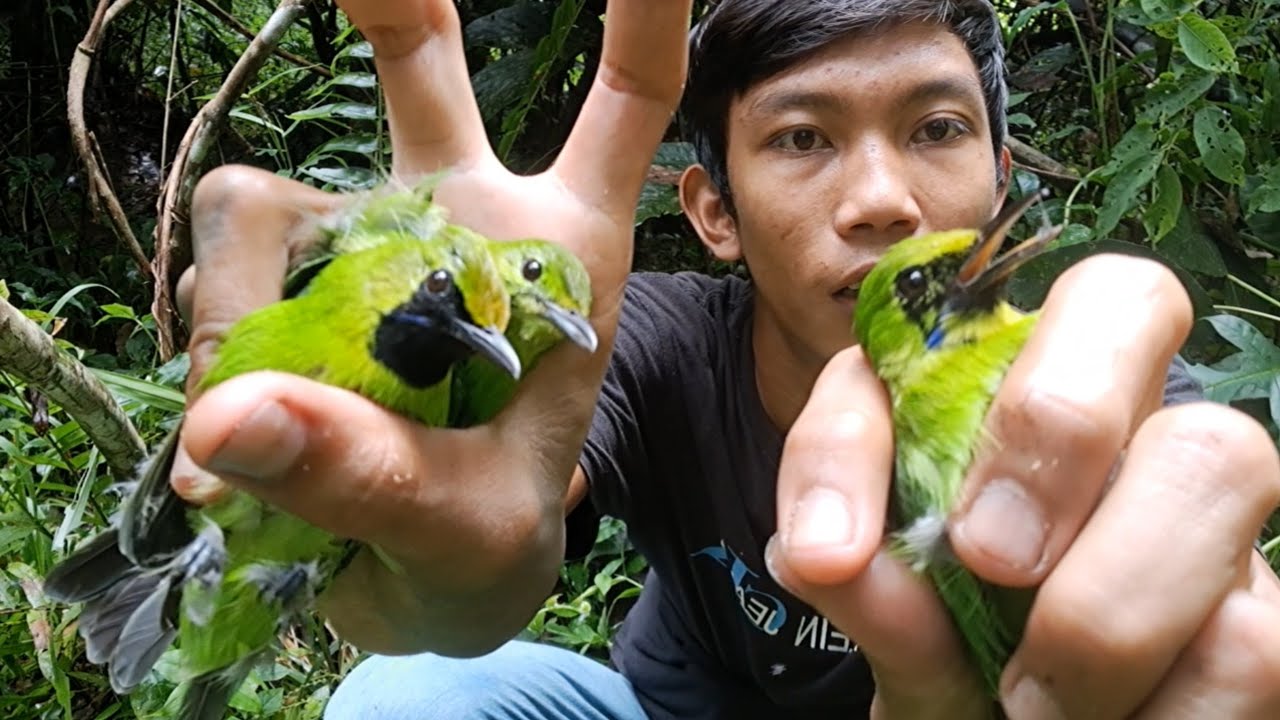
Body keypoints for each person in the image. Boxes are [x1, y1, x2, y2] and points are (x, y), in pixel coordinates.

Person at [172, 0, 1280, 717]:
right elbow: (489, 533)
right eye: (801, 138)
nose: (882, 201)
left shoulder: (1074, 401)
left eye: (935, 130)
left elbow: (1190, 564)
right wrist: (433, 542)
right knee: (407, 694)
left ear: (997, 174)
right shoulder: (648, 343)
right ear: (712, 210)